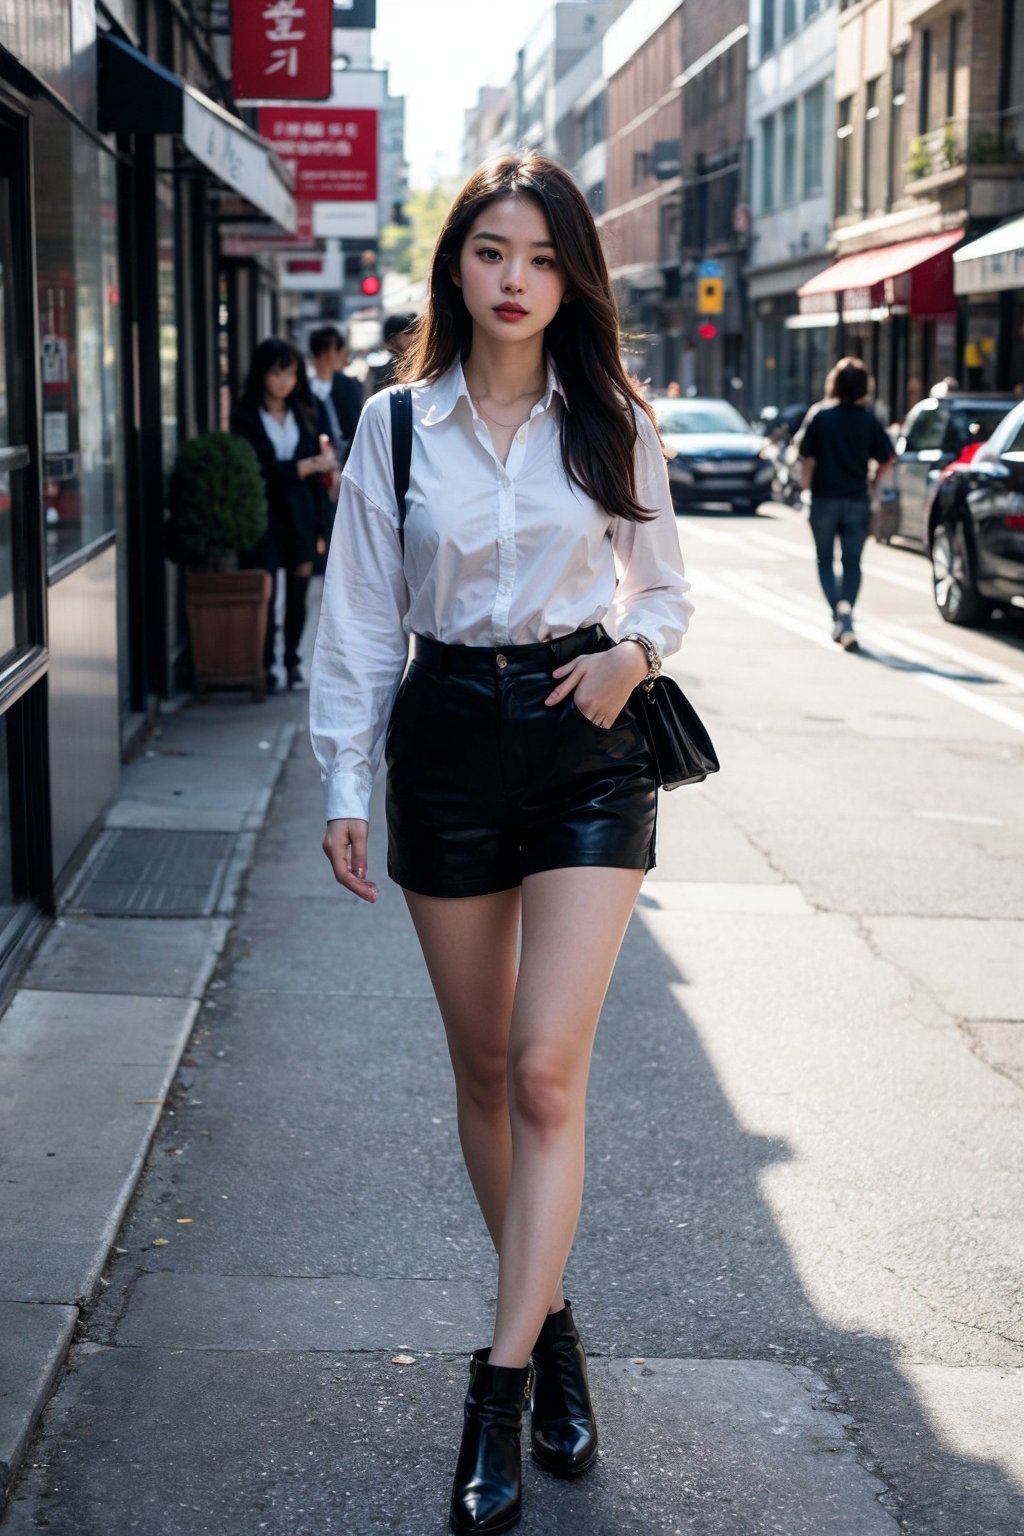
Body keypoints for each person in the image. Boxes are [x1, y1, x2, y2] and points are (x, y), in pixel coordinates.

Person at [309, 152, 693, 1533]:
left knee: (543, 1073)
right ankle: (559, 1321)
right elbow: (357, 615)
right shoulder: (394, 427)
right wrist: (343, 782)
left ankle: (502, 1380)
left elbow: (668, 589)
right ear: (454, 268)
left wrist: (632, 655)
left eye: (539, 256)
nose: (515, 279)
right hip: (450, 734)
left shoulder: (614, 420)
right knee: (481, 1068)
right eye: (490, 252)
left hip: (587, 739)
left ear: (568, 273)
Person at [231, 338, 336, 691]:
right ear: (263, 373)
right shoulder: (244, 415)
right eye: (277, 373)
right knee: (267, 589)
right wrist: (300, 467)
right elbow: (255, 467)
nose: (283, 382)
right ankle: (265, 664)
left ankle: (291, 661)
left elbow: (317, 470)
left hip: (303, 513)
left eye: (290, 373)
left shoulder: (306, 410)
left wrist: (318, 469)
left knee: (299, 589)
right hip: (265, 513)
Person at [797, 356, 895, 652]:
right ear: (864, 386)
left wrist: (804, 492)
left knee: (824, 559)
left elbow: (807, 460)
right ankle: (846, 613)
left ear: (834, 384)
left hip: (824, 499)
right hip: (856, 499)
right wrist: (875, 483)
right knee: (852, 562)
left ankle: (839, 615)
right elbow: (888, 458)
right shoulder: (869, 420)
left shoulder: (821, 417)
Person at [308, 324, 364, 470]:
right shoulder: (304, 389)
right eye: (338, 349)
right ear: (332, 351)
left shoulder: (348, 384)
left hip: (346, 462)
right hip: (318, 465)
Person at [372, 311, 418, 390]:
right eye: (411, 330)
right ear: (393, 339)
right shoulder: (380, 369)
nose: (416, 336)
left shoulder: (429, 360)